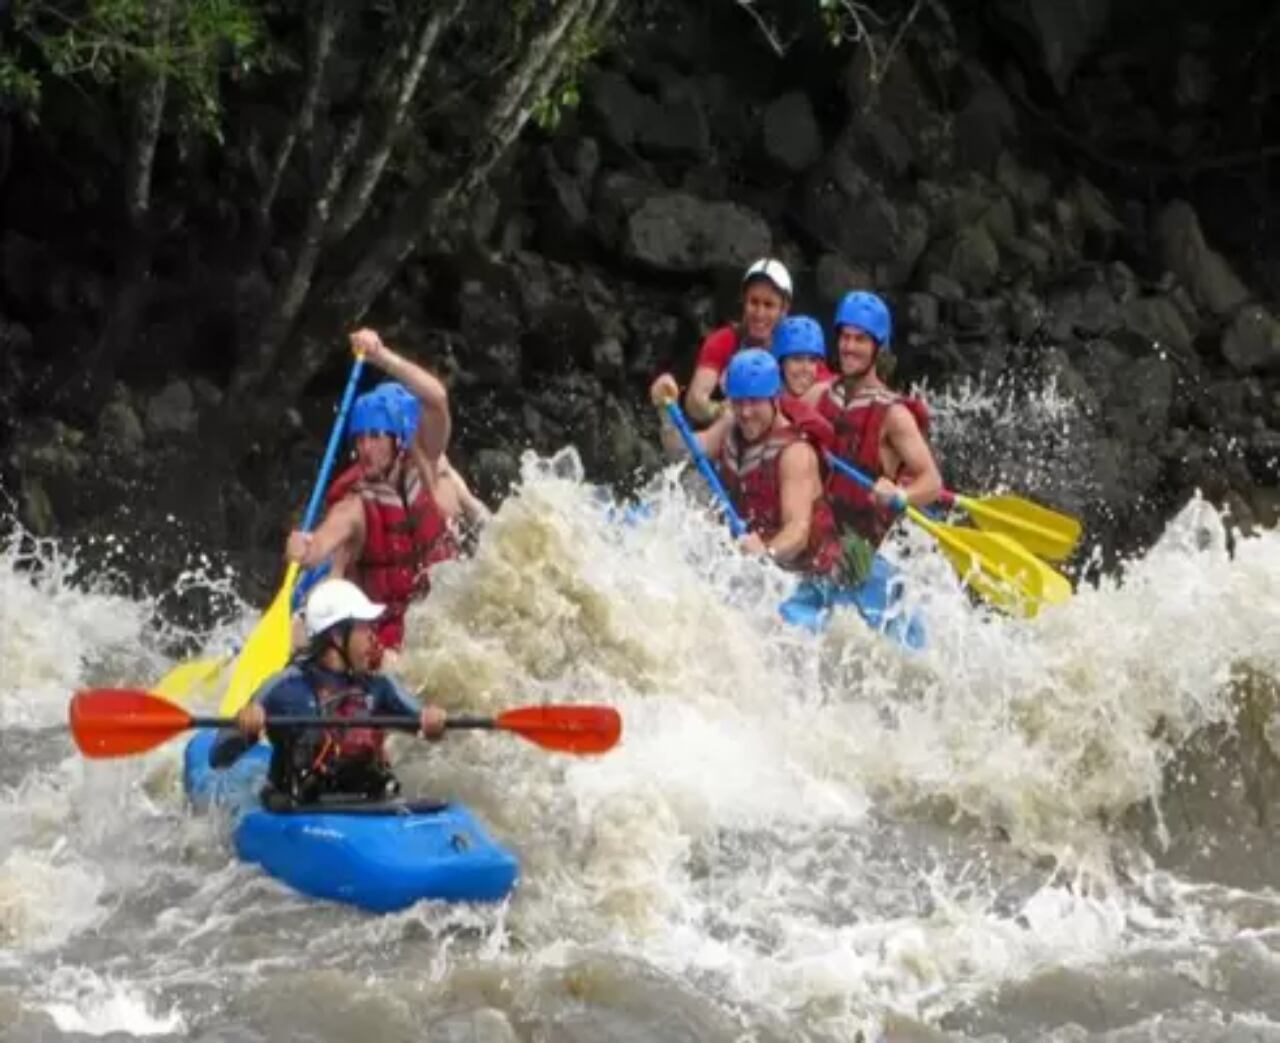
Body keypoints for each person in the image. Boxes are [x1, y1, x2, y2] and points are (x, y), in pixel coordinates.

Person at [285, 329, 461, 651]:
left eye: (376, 436)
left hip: (437, 617)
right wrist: (305, 549)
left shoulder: (425, 461)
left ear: (399, 440)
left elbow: (436, 398)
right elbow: (323, 541)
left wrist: (380, 356)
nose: (366, 448)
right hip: (381, 636)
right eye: (361, 438)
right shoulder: (355, 504)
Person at [210, 579, 447, 806]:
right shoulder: (287, 687)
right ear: (336, 636)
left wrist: (432, 722)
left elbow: (423, 722)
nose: (372, 638)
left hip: (370, 807)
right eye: (363, 628)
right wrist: (247, 728)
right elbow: (218, 756)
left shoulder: (379, 686)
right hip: (299, 810)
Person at [650, 349, 842, 577]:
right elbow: (682, 452)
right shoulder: (731, 427)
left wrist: (766, 553)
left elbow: (798, 532)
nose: (746, 412)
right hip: (753, 560)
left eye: (754, 401)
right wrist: (665, 410)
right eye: (739, 402)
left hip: (807, 573)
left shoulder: (795, 454)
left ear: (774, 399)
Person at [802, 291, 942, 546]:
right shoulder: (819, 394)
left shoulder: (894, 415)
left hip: (861, 551)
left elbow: (932, 482)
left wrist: (900, 495)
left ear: (877, 348)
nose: (849, 347)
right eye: (845, 337)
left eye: (860, 339)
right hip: (815, 539)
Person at [683, 258, 794, 425]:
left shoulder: (795, 348)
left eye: (769, 305)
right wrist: (724, 411)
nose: (759, 313)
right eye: (754, 302)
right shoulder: (724, 340)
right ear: (744, 301)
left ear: (784, 309)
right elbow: (695, 401)